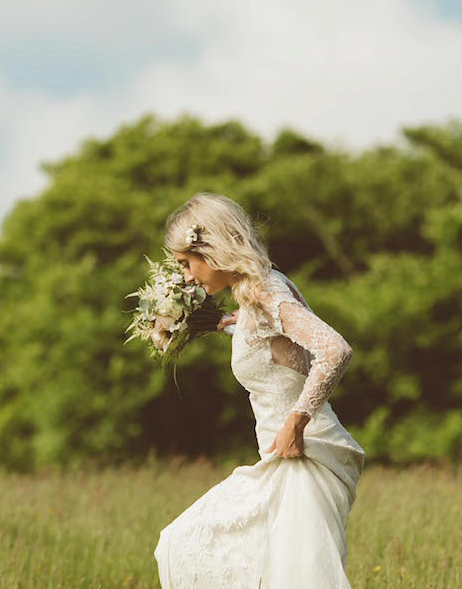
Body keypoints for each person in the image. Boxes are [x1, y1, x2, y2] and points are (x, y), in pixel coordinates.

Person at [154, 193, 364, 589]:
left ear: (211, 249)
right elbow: (285, 353)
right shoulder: (254, 295)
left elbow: (334, 350)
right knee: (180, 543)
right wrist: (231, 326)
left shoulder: (266, 292)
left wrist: (296, 422)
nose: (186, 277)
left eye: (186, 263)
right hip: (278, 461)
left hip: (304, 457)